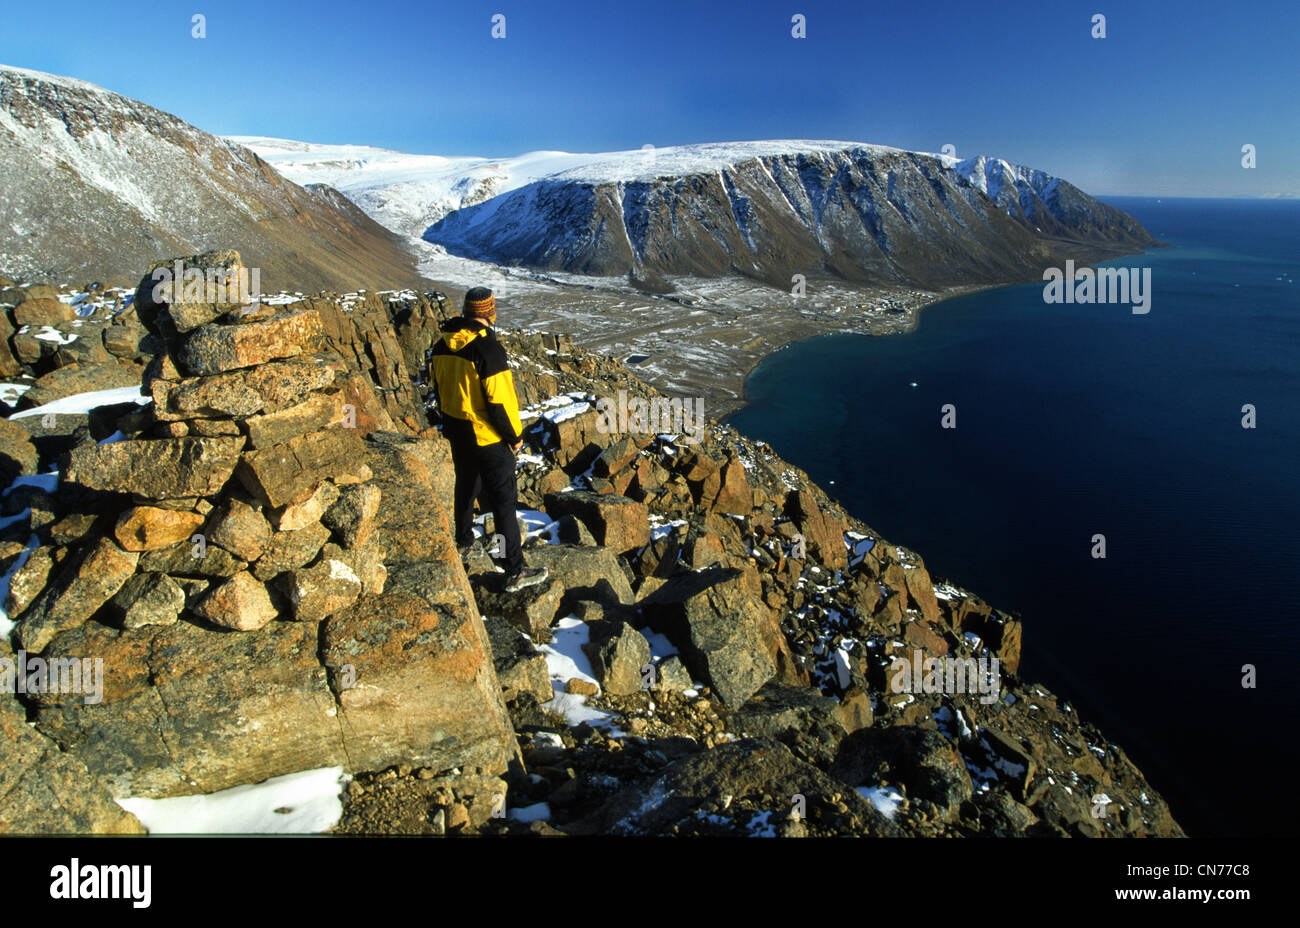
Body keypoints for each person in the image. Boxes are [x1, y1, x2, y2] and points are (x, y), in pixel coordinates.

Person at [430, 287, 548, 593]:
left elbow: (440, 391)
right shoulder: (487, 350)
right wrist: (515, 437)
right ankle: (514, 570)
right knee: (502, 502)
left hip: (457, 431)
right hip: (487, 438)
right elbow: (500, 402)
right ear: (489, 312)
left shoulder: (442, 346)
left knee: (466, 485)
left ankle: (464, 541)